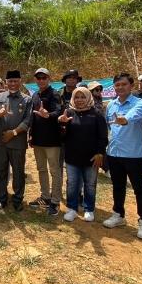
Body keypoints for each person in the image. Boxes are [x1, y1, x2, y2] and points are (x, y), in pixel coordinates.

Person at [105, 73, 142, 239]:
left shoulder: (140, 103)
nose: (120, 88)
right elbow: (108, 127)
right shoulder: (111, 105)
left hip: (133, 154)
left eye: (123, 84)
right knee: (118, 186)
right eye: (117, 85)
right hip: (114, 152)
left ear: (131, 86)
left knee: (139, 188)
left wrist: (124, 119)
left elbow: (131, 118)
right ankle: (118, 214)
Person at [58, 87, 107, 222]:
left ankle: (89, 209)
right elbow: (62, 138)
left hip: (91, 157)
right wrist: (62, 125)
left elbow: (103, 136)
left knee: (90, 184)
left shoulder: (96, 114)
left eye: (83, 97)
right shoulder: (68, 112)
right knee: (72, 183)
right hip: (72, 157)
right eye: (77, 97)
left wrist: (100, 153)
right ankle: (72, 209)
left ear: (88, 97)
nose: (80, 100)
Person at [0, 70, 33, 210]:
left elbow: (28, 120)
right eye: (10, 81)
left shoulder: (27, 99)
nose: (13, 84)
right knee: (1, 171)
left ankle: (17, 199)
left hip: (18, 142)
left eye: (16, 81)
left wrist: (14, 132)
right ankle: (1, 198)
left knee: (18, 171)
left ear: (20, 81)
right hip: (1, 141)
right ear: (6, 82)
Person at [28, 68, 63, 216]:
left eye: (44, 78)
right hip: (38, 141)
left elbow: (59, 112)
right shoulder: (35, 95)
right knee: (41, 170)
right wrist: (31, 135)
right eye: (38, 78)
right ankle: (45, 197)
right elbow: (33, 117)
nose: (41, 80)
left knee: (55, 171)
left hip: (52, 141)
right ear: (35, 79)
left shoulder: (54, 94)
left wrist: (48, 115)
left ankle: (55, 201)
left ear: (49, 78)